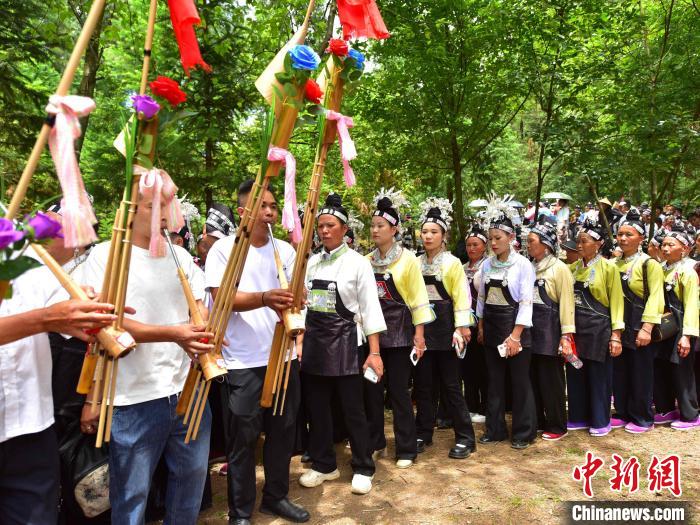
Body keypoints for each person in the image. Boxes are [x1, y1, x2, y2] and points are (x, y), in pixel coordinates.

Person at [80, 175, 215, 525]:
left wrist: (204, 332)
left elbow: (198, 311)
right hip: (132, 399)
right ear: (129, 210)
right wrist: (174, 334)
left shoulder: (181, 255)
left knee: (189, 489)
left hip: (188, 391)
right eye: (149, 205)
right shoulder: (106, 256)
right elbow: (107, 324)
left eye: (164, 204)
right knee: (131, 499)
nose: (161, 212)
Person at [205, 180, 309, 524]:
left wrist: (298, 297)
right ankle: (240, 510)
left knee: (283, 432)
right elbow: (221, 299)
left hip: (281, 358)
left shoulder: (285, 250)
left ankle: (276, 497)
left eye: (273, 206)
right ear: (242, 212)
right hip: (242, 362)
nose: (269, 212)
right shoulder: (225, 250)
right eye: (261, 206)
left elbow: (297, 295)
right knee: (242, 438)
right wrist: (264, 298)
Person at [1, 242, 117, 525]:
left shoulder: (25, 255)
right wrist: (44, 320)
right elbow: (48, 317)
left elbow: (65, 314)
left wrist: (86, 309)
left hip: (30, 426)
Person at [298, 193, 386, 495]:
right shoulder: (311, 263)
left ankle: (363, 466)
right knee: (318, 409)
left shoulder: (358, 263)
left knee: (353, 409)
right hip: (315, 344)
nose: (324, 231)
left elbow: (371, 309)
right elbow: (304, 306)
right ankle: (324, 464)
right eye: (320, 226)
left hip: (348, 344)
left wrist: (374, 353)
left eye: (330, 225)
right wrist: (299, 340)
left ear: (344, 230)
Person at [365, 195, 434, 469]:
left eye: (380, 225)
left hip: (400, 333)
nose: (374, 230)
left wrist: (419, 336)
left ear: (393, 230)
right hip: (372, 334)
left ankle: (406, 447)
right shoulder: (365, 260)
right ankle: (376, 442)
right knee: (371, 391)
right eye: (372, 225)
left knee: (399, 392)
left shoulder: (408, 261)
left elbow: (419, 300)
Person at [414, 203, 477, 459]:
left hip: (447, 329)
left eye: (434, 232)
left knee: (451, 386)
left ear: (444, 236)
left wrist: (461, 328)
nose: (428, 236)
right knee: (423, 386)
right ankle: (422, 432)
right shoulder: (415, 263)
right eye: (424, 231)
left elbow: (462, 297)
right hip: (422, 331)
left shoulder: (452, 264)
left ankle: (465, 437)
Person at [476, 203, 537, 450]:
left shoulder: (523, 265)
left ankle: (524, 432)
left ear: (511, 237)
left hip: (516, 332)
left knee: (520, 383)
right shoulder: (487, 265)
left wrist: (515, 337)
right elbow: (481, 297)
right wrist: (480, 326)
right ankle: (495, 429)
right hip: (491, 329)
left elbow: (525, 302)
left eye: (498, 238)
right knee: (494, 382)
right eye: (491, 238)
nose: (493, 242)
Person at [567, 219, 624, 437]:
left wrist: (616, 335)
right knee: (576, 370)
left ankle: (600, 419)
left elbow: (617, 302)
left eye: (584, 241)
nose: (579, 245)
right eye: (578, 242)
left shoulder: (609, 268)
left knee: (598, 375)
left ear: (598, 243)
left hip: (599, 329)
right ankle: (578, 415)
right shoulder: (571, 269)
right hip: (576, 329)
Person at [611, 209, 665, 434]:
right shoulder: (614, 264)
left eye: (629, 234)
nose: (623, 238)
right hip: (620, 326)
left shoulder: (648, 264)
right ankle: (622, 412)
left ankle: (642, 416)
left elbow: (656, 296)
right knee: (620, 370)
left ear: (641, 238)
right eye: (620, 234)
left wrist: (647, 328)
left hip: (640, 325)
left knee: (641, 372)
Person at [526, 222, 576, 441]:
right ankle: (537, 419)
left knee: (551, 380)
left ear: (545, 244)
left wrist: (566, 335)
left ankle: (557, 424)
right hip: (530, 329)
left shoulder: (559, 268)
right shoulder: (528, 266)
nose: (527, 245)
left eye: (531, 241)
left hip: (550, 330)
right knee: (533, 378)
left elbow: (566, 303)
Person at [653, 225, 699, 429]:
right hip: (663, 327)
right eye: (663, 244)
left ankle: (690, 414)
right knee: (661, 366)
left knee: (682, 370)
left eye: (671, 245)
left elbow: (691, 305)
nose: (665, 248)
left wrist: (687, 335)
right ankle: (665, 408)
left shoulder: (687, 273)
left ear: (685, 249)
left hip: (680, 328)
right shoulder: (659, 269)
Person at [462, 225, 489, 423]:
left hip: (482, 322)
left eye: (475, 245)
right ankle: (470, 404)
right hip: (465, 324)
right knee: (467, 367)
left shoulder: (487, 267)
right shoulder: (462, 268)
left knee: (483, 367)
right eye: (469, 245)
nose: (471, 248)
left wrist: (482, 325)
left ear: (484, 246)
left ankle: (485, 406)